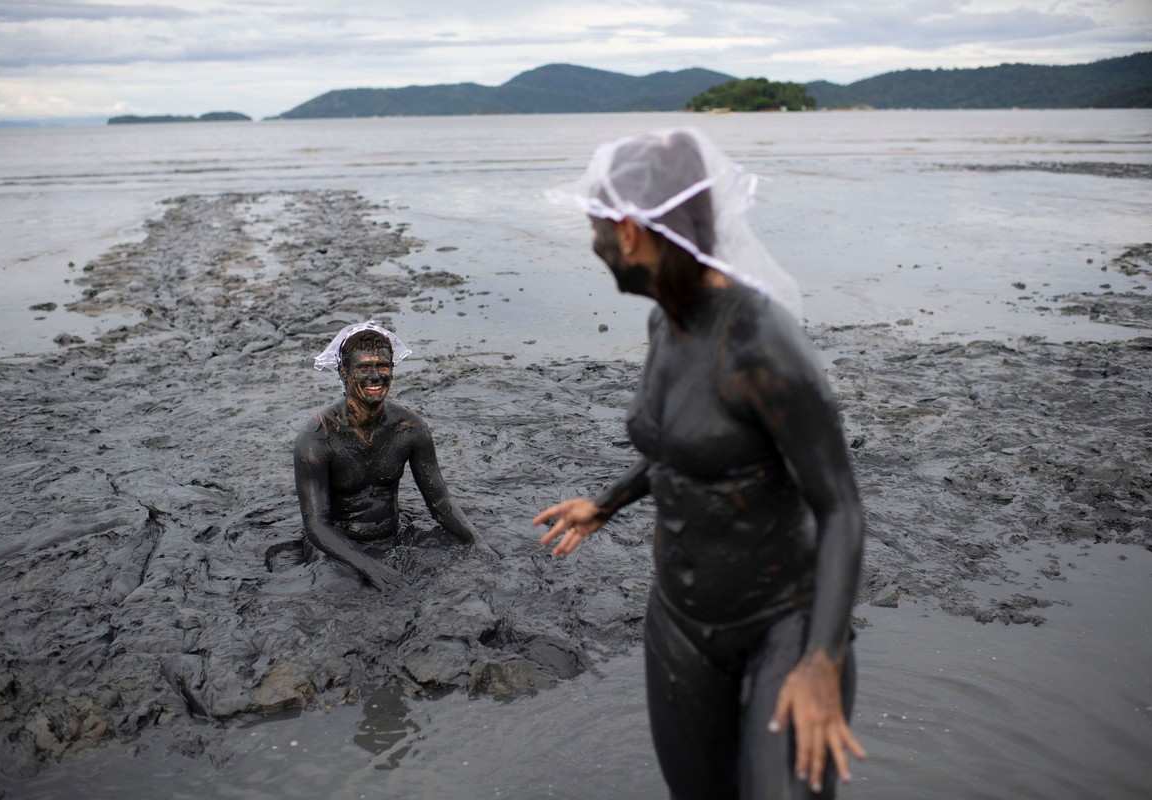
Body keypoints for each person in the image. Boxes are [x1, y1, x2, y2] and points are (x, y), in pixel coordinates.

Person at [532, 129, 866, 799]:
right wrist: (606, 503)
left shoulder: (761, 344)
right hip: (682, 626)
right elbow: (683, 453)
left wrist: (821, 661)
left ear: (630, 232)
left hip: (783, 622)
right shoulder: (667, 322)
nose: (595, 248)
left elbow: (841, 508)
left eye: (597, 231)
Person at [294, 322, 493, 590]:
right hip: (336, 545)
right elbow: (316, 525)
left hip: (393, 535)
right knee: (342, 592)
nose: (375, 376)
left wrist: (478, 542)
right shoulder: (317, 437)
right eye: (364, 368)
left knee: (457, 577)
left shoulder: (410, 428)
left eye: (383, 366)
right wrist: (371, 568)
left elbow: (440, 502)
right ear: (344, 371)